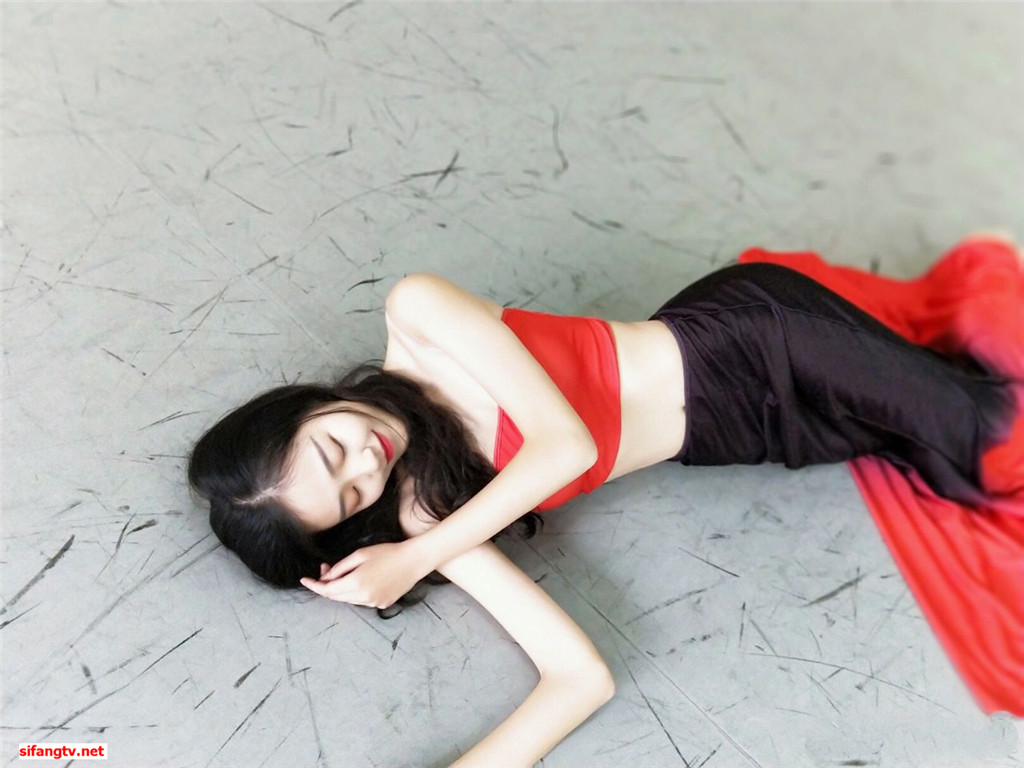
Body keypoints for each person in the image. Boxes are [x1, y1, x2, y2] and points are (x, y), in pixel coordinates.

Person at [188, 236, 1020, 765]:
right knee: (941, 447)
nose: (365, 464)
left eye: (332, 448)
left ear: (302, 404)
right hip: (739, 432)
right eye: (351, 496)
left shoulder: (419, 314)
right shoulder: (425, 510)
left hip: (755, 335)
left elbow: (569, 447)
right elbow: (577, 678)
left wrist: (417, 557)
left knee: (993, 446)